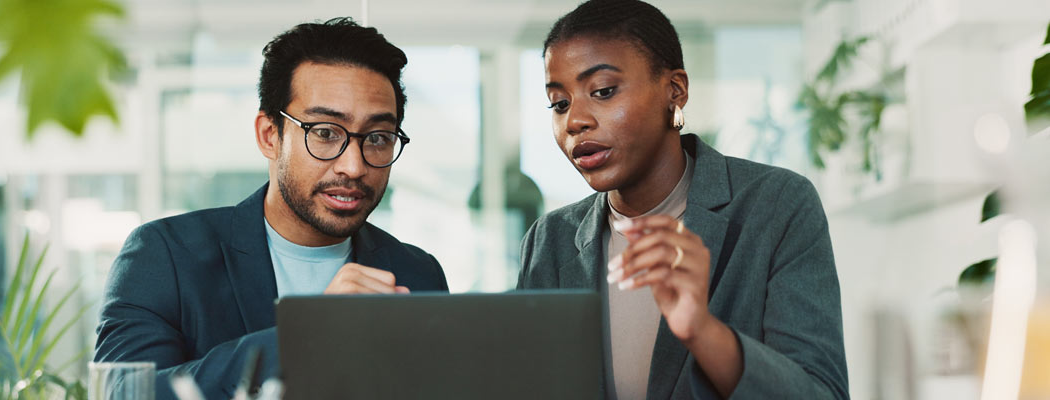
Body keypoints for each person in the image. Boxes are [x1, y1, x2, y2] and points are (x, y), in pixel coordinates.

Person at [93, 17, 448, 399]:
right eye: (325, 133)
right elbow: (126, 393)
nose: (354, 166)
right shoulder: (166, 256)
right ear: (269, 135)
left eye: (378, 138)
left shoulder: (416, 272)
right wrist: (305, 336)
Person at [517, 1, 848, 399]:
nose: (575, 121)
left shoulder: (778, 206)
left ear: (674, 91)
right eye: (560, 103)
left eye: (603, 91)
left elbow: (821, 393)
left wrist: (702, 331)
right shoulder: (547, 241)